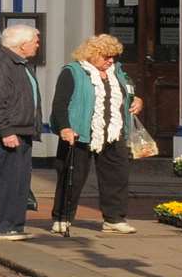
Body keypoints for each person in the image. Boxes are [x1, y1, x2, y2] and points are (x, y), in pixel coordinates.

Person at [48, 34, 144, 236]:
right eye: (106, 57)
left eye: (113, 57)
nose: (111, 61)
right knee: (72, 176)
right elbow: (59, 104)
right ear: (92, 54)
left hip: (113, 132)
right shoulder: (72, 72)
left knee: (116, 176)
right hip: (79, 132)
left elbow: (128, 94)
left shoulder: (117, 72)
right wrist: (65, 127)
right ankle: (62, 217)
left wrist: (137, 101)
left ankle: (114, 219)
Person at [0, 23, 45, 241]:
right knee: (7, 181)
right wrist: (5, 131)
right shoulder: (0, 64)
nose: (38, 44)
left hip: (21, 131)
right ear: (22, 43)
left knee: (19, 181)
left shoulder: (19, 64)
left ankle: (14, 225)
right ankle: (0, 227)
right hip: (7, 134)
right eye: (35, 41)